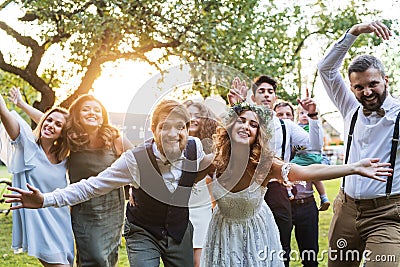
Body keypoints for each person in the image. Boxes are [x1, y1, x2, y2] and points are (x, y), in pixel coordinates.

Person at [4, 101, 392, 267]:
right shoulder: (142, 160)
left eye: (179, 126)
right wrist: (47, 200)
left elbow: (301, 170)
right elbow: (88, 187)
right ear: (152, 130)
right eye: (165, 127)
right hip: (143, 229)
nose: (173, 133)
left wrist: (352, 167)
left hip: (209, 232)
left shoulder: (217, 157)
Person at [10, 88, 131, 267]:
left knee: (107, 257)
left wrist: (135, 188)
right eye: (86, 109)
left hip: (111, 208)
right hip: (82, 207)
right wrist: (21, 104)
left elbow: (137, 164)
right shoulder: (73, 140)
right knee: (93, 256)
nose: (92, 112)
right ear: (77, 116)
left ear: (103, 115)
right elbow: (44, 120)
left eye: (97, 110)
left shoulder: (115, 139)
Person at [318, 21, 400, 267]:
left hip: (386, 214)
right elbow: (326, 69)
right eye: (359, 87)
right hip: (346, 208)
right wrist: (353, 32)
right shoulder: (350, 107)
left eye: (373, 84)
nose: (367, 92)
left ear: (385, 79)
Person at [228, 76, 324, 266]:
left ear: (275, 97)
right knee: (246, 244)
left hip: (276, 190)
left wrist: (313, 117)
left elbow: (314, 146)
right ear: (253, 97)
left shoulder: (285, 126)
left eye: (270, 92)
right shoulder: (243, 122)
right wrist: (235, 110)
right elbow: (228, 146)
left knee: (280, 247)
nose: (266, 95)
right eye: (261, 91)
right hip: (247, 188)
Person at [0, 93, 74, 266]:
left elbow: (53, 124)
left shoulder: (65, 157)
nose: (50, 125)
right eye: (48, 120)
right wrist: (14, 106)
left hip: (61, 221)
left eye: (58, 125)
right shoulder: (25, 143)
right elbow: (4, 112)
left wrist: (22, 104)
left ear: (63, 133)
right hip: (39, 222)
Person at [274, 101, 329, 267]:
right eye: (280, 115)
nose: (285, 119)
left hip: (306, 204)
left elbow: (317, 153)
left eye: (288, 115)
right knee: (280, 253)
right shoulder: (274, 144)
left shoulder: (303, 143)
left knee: (310, 253)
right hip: (282, 204)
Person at [183, 100, 218, 267]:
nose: (193, 119)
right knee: (182, 260)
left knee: (199, 262)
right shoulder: (173, 144)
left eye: (198, 116)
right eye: (189, 115)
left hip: (202, 207)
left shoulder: (210, 145)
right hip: (180, 207)